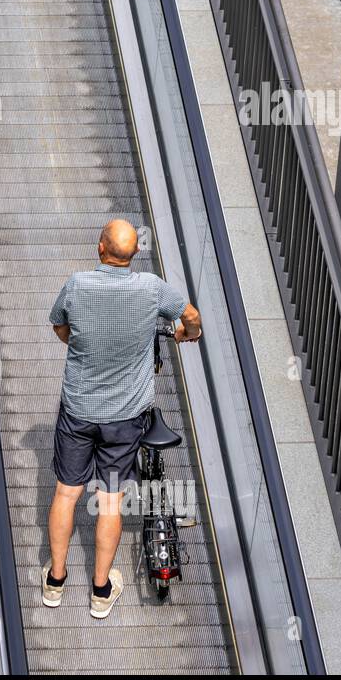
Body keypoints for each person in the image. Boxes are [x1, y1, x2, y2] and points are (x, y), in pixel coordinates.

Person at [40, 219, 201, 618]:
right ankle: (100, 590)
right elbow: (192, 316)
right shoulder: (150, 288)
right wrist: (185, 334)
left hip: (79, 409)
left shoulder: (77, 284)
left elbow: (60, 326)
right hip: (125, 418)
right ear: (133, 255)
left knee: (66, 493)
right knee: (109, 501)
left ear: (100, 248)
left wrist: (80, 345)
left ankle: (55, 583)